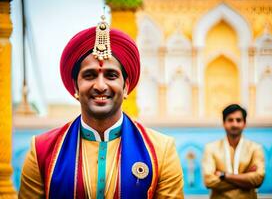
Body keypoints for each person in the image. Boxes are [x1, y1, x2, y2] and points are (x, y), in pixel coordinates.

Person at [19, 16, 184, 199]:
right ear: (75, 86)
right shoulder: (42, 151)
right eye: (89, 75)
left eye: (111, 75)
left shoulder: (160, 151)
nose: (100, 86)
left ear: (126, 86)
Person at [202, 104, 265, 199]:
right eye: (230, 120)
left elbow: (258, 179)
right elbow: (209, 181)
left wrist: (224, 175)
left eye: (238, 120)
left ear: (244, 123)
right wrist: (245, 178)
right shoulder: (211, 148)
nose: (234, 124)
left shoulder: (255, 148)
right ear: (224, 123)